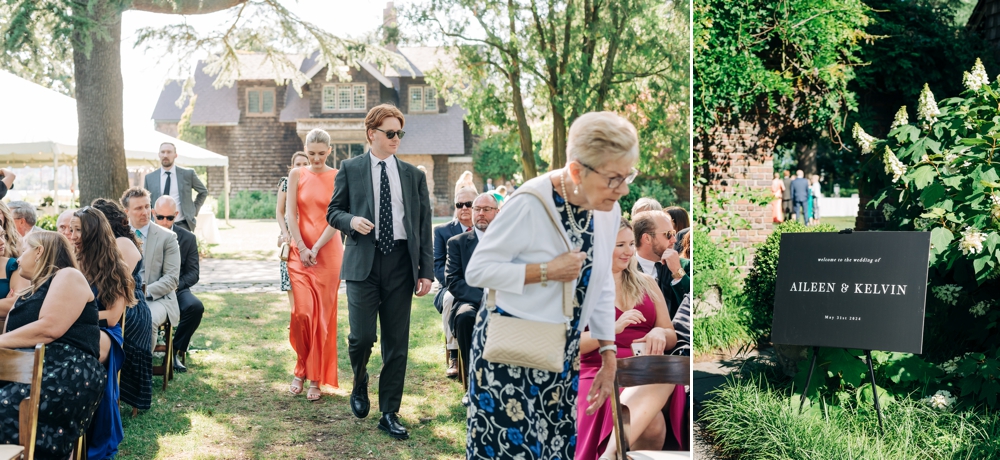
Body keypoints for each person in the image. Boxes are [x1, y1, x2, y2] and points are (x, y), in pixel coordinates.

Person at [465, 111, 638, 459]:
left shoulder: (608, 209)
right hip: (509, 356)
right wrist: (545, 271)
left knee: (554, 451)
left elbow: (602, 280)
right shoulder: (529, 203)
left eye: (628, 174)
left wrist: (608, 354)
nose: (624, 188)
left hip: (560, 356)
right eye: (614, 177)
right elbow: (477, 270)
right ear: (576, 171)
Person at [327, 104, 433, 440]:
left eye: (400, 133)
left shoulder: (414, 176)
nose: (396, 139)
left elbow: (423, 224)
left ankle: (389, 411)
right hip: (363, 263)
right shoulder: (350, 168)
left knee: (396, 343)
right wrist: (351, 221)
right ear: (372, 134)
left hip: (401, 264)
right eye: (390, 133)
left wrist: (426, 270)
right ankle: (360, 382)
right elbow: (333, 212)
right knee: (361, 338)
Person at [577, 217, 678, 460]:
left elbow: (671, 335)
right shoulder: (582, 287)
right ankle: (611, 454)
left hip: (643, 369)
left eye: (631, 244)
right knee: (653, 425)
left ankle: (609, 455)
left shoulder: (647, 283)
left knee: (664, 370)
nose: (628, 251)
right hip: (598, 368)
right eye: (619, 245)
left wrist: (658, 332)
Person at [0, 231, 105, 458]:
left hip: (65, 366)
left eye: (24, 249)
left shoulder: (68, 276)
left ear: (39, 251)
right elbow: (11, 337)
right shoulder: (25, 294)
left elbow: (49, 328)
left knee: (7, 410)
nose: (17, 259)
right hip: (22, 369)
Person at [68, 207, 137, 460]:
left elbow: (113, 316)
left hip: (106, 332)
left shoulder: (115, 267)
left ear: (93, 232)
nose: (72, 235)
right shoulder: (70, 262)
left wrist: (76, 317)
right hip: (74, 328)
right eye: (70, 229)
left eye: (78, 230)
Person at [286, 129, 344, 401]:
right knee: (302, 314)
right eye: (311, 153)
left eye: (321, 153)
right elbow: (290, 213)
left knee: (322, 319)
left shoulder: (338, 176)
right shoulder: (296, 174)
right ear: (305, 150)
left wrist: (317, 247)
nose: (316, 158)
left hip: (328, 251)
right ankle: (300, 367)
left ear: (330, 151)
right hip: (300, 253)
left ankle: (314, 378)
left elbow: (337, 217)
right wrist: (301, 246)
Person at [91, 198, 154, 412]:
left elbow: (115, 285)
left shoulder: (122, 243)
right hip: (111, 301)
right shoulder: (106, 244)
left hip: (131, 308)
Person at [444, 192, 499, 386]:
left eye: (486, 209)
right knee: (466, 316)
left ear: (497, 212)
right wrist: (484, 298)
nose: (480, 213)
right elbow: (453, 280)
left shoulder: (509, 240)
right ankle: (472, 383)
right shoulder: (457, 243)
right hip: (470, 300)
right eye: (477, 209)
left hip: (505, 299)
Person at [123, 187, 180, 350]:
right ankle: (120, 370)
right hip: (124, 296)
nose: (145, 212)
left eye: (147, 206)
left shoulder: (168, 237)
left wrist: (144, 292)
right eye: (138, 208)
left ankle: (143, 371)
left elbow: (171, 279)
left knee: (148, 318)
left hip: (157, 298)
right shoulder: (119, 237)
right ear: (127, 211)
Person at [153, 196, 204, 373]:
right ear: (153, 214)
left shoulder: (188, 238)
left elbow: (193, 273)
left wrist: (176, 285)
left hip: (176, 288)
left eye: (169, 218)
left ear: (176, 215)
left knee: (195, 307)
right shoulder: (144, 234)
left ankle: (173, 350)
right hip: (151, 287)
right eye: (160, 217)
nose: (164, 222)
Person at [433, 187, 476, 379]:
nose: (464, 208)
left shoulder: (486, 229)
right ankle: (453, 352)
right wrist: (455, 283)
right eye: (460, 205)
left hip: (480, 285)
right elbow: (438, 265)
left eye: (469, 204)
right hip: (451, 286)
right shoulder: (443, 231)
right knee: (451, 298)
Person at [632, 211, 690, 319]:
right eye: (668, 234)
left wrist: (677, 272)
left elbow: (693, 305)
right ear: (647, 238)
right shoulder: (623, 269)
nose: (674, 239)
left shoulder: (684, 266)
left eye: (674, 233)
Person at [144, 142, 208, 232]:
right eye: (163, 152)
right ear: (159, 154)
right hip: (158, 226)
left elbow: (203, 192)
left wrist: (193, 210)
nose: (165, 155)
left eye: (169, 152)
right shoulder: (149, 178)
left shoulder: (188, 174)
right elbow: (146, 202)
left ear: (175, 155)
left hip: (182, 224)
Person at [278, 152, 310, 305]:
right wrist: (284, 232)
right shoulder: (285, 183)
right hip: (290, 231)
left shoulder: (314, 182)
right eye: (298, 164)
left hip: (309, 231)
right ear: (291, 166)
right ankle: (294, 316)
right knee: (290, 276)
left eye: (305, 163)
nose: (302, 167)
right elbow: (279, 211)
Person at [0, 202, 25, 316]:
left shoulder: (13, 264)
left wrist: (9, 303)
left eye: (2, 235)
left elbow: (17, 304)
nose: (2, 242)